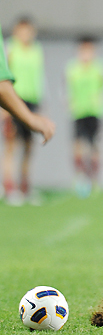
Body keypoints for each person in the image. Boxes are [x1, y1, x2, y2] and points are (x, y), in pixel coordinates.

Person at [1, 18, 52, 204]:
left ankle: (25, 187)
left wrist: (43, 106)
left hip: (32, 102)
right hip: (13, 100)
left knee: (29, 146)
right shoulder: (9, 48)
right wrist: (4, 109)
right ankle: (9, 188)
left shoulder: (37, 50)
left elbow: (40, 78)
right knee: (11, 145)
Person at [64, 35, 103, 198]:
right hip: (78, 113)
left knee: (95, 148)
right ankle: (80, 180)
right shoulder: (71, 69)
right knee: (77, 147)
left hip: (95, 112)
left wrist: (101, 102)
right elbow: (65, 90)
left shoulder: (100, 68)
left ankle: (94, 181)